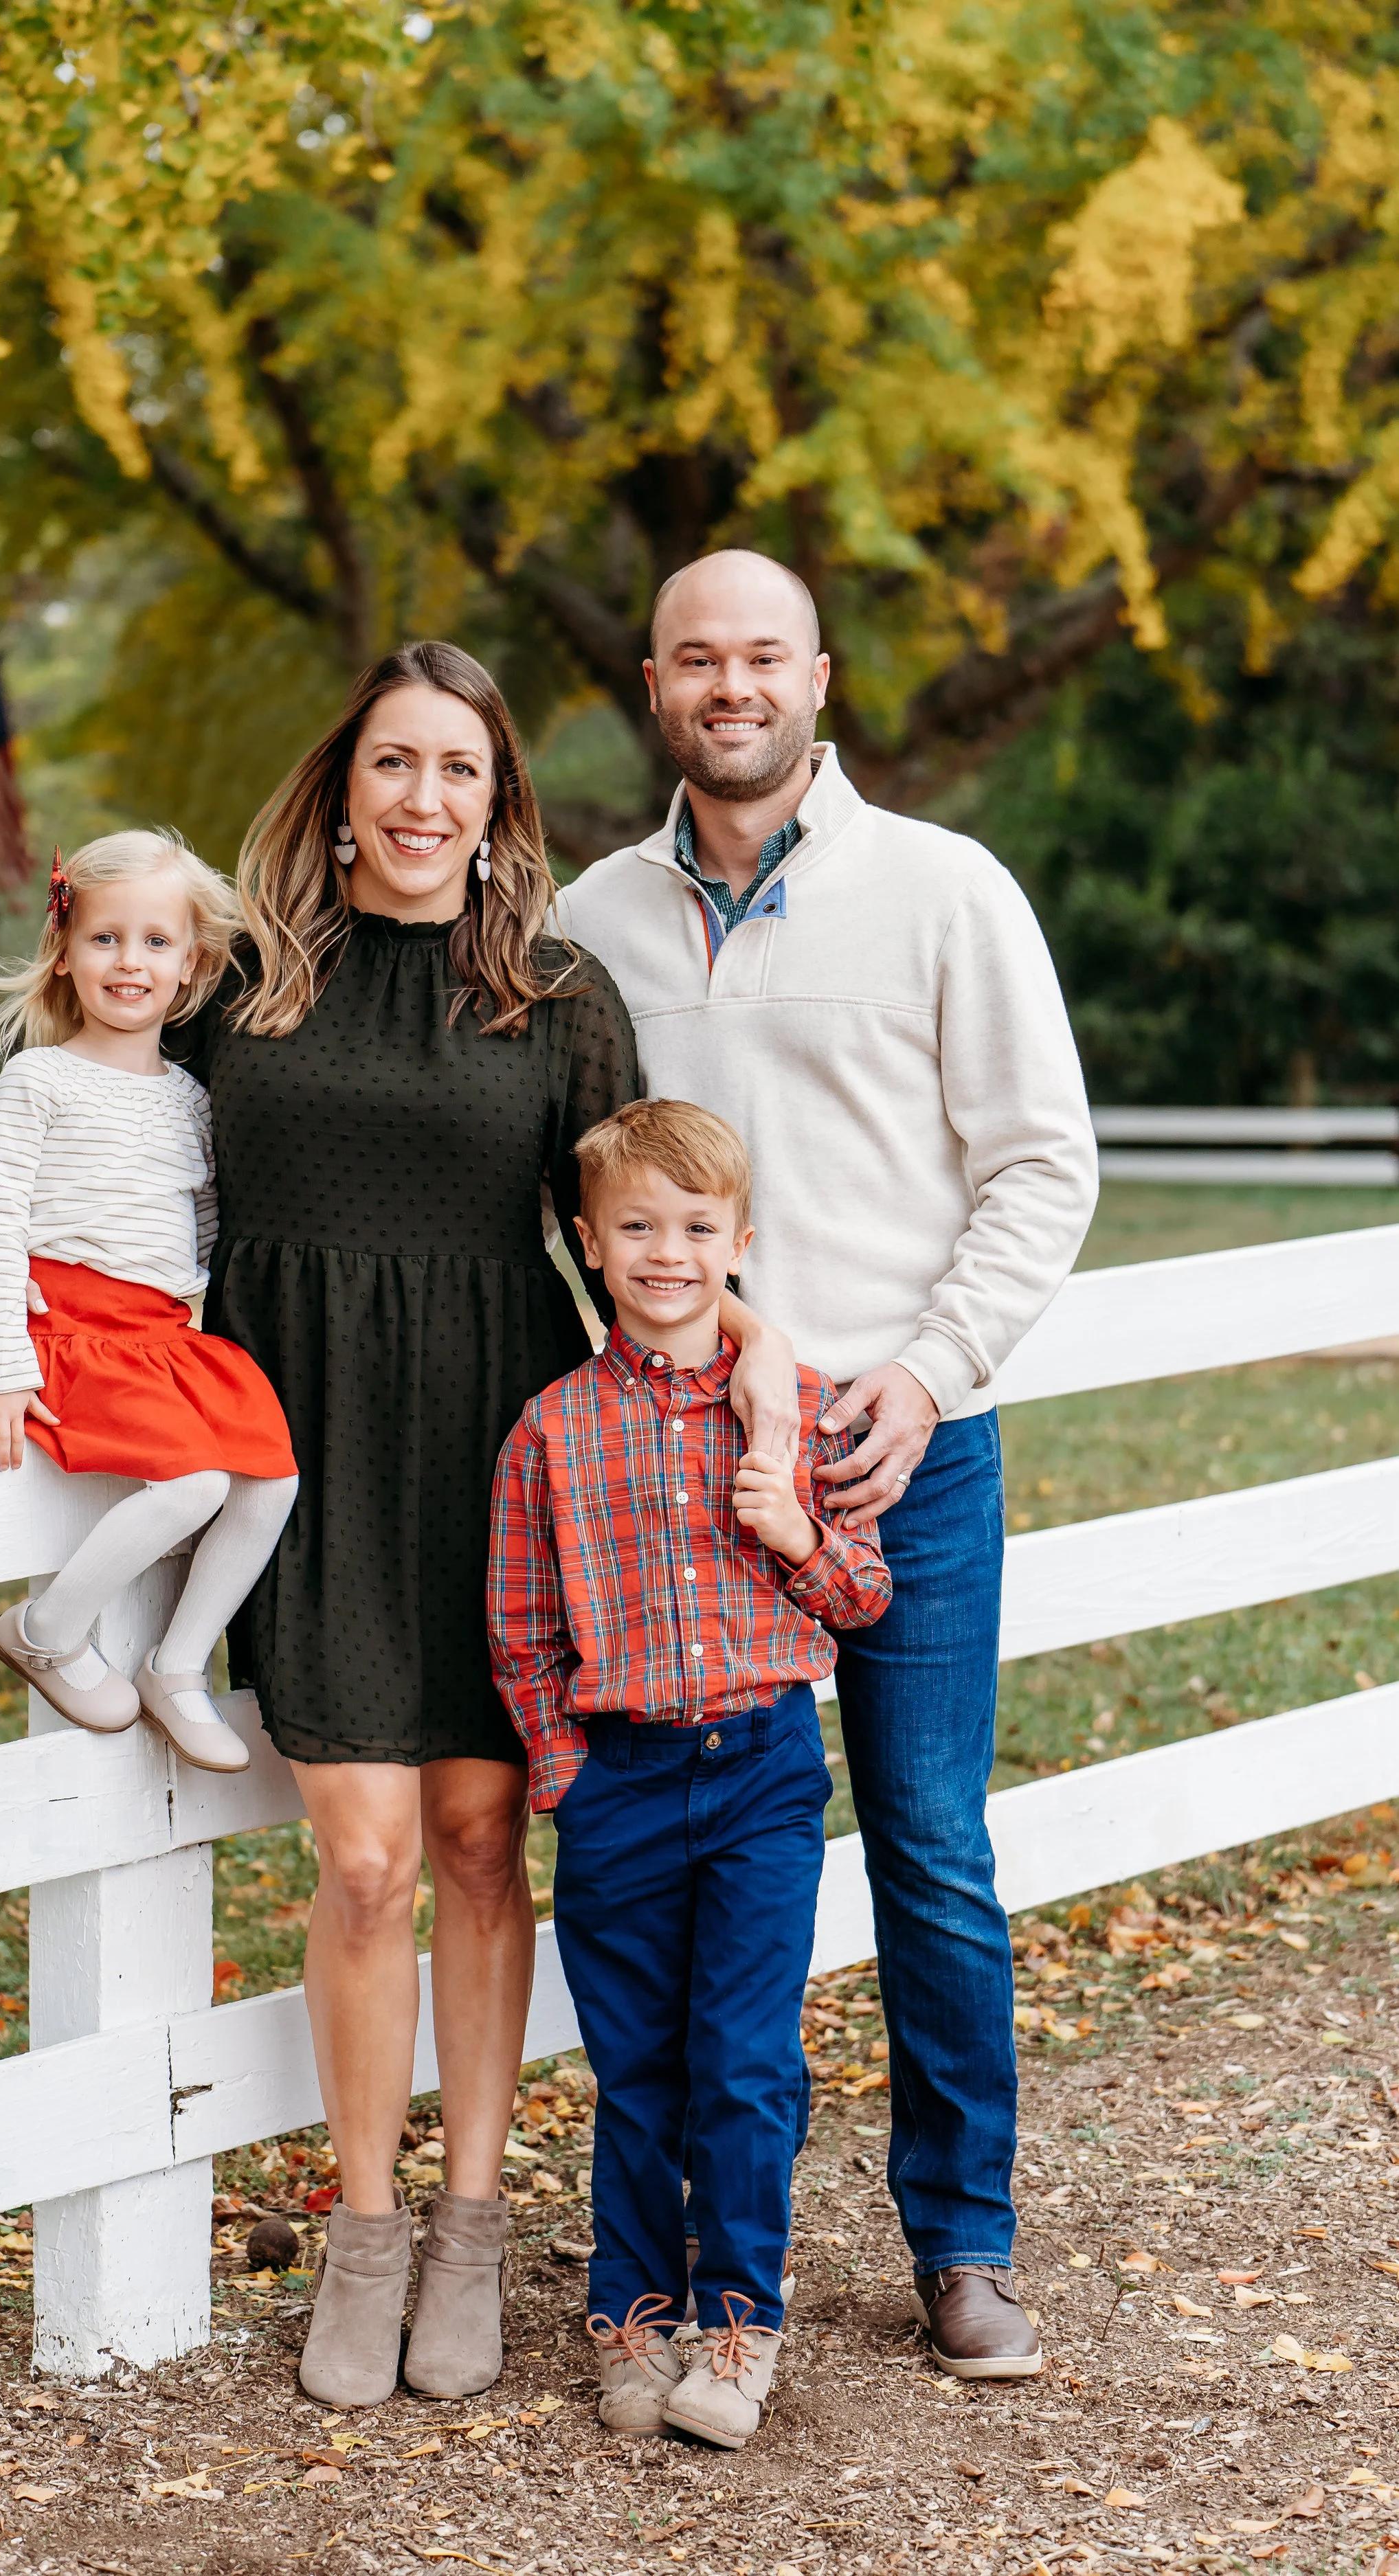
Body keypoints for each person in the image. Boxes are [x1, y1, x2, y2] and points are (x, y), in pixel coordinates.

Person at [168, 642, 798, 2410]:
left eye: (458, 768)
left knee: (471, 1850)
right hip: (300, 1454)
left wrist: (758, 1358)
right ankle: (359, 2239)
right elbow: (134, 1173)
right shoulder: (243, 985)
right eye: (392, 764)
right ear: (343, 787)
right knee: (360, 1861)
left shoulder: (551, 990)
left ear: (497, 801)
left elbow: (649, 1227)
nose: (422, 798)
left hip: (500, 1460)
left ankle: (465, 2232)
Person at [555, 552, 1099, 2380]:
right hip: (676, 1482)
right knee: (699, 1865)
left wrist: (929, 1376)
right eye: (696, 657)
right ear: (654, 682)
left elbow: (1042, 1161)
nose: (731, 684)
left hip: (901, 1450)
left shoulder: (943, 889)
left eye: (760, 655)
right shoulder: (589, 923)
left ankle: (962, 2241)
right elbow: (561, 1186)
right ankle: (703, 2260)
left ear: (818, 674)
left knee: (928, 1844)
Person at [487, 1098, 891, 2449]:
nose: (667, 1252)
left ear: (741, 1238)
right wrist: (563, 1776)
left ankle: (737, 2322)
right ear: (589, 1244)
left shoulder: (796, 1408)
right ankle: (632, 2313)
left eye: (697, 1227)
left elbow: (861, 1593)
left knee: (740, 2057)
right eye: (637, 1228)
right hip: (622, 1783)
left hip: (761, 1769)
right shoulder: (549, 1431)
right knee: (636, 2065)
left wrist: (791, 1533)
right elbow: (519, 1627)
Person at [0, 830, 298, 1774]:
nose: (129, 961)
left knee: (271, 1475)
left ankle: (177, 1663)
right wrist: (1, 1357)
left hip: (160, 1333)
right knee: (192, 1481)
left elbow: (196, 1231)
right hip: (68, 1330)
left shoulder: (191, 1098)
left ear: (190, 965)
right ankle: (44, 1629)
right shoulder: (38, 1081)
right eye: (107, 939)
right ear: (66, 952)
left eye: (156, 942)